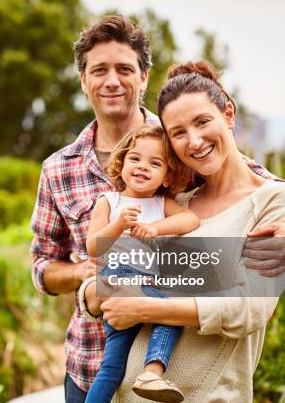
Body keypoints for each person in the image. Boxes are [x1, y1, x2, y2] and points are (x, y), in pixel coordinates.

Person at [30, 14, 285, 403]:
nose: (112, 80)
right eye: (99, 70)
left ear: (144, 76)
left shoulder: (174, 150)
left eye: (124, 69)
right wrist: (92, 279)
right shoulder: (59, 168)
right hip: (89, 361)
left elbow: (251, 183)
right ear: (83, 80)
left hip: (171, 367)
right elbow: (42, 263)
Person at [84, 125, 199, 403]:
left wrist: (155, 228)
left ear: (167, 175)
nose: (143, 167)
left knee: (115, 365)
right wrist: (118, 224)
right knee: (171, 309)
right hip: (118, 280)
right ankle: (152, 373)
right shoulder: (109, 201)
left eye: (155, 163)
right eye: (135, 158)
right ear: (122, 162)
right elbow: (92, 248)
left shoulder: (161, 203)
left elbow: (191, 220)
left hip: (148, 284)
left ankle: (151, 373)